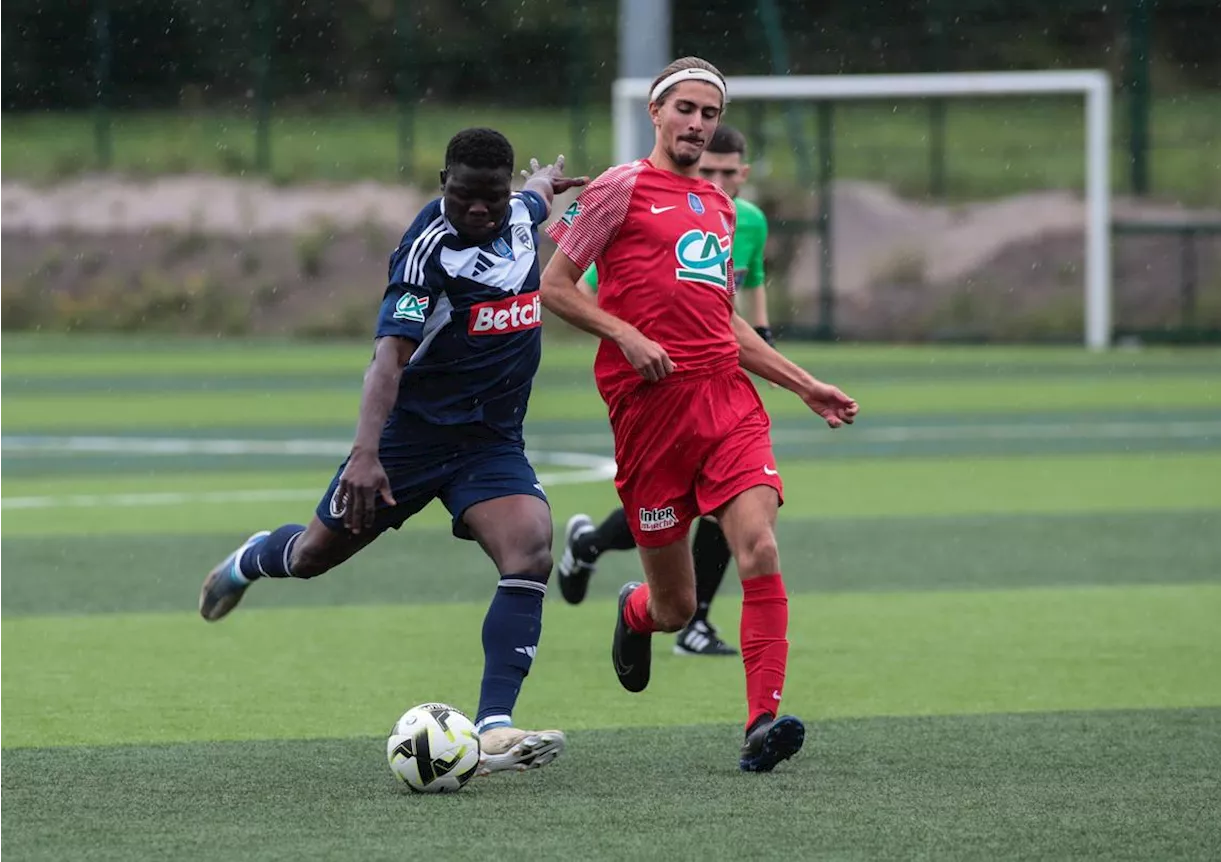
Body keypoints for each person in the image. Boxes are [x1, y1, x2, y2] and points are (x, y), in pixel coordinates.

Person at [197, 128, 587, 778]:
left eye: (492, 196)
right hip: (409, 442)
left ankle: (493, 728)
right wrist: (364, 453)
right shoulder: (424, 254)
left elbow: (532, 201)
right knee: (311, 556)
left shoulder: (519, 215)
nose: (481, 211)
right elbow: (387, 360)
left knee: (530, 547)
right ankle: (249, 559)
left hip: (490, 442)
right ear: (444, 186)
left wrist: (542, 183)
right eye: (465, 197)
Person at [540, 58, 858, 772]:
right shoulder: (619, 189)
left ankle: (760, 724)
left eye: (709, 114)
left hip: (726, 403)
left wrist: (802, 383)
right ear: (656, 113)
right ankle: (633, 613)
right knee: (676, 608)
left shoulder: (718, 209)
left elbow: (725, 325)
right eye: (685, 109)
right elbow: (553, 289)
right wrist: (625, 333)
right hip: (649, 416)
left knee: (761, 550)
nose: (697, 124)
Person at [557, 123, 774, 659]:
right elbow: (587, 288)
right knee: (669, 515)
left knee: (733, 509)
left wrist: (780, 368)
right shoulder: (631, 196)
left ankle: (697, 620)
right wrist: (632, 334)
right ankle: (593, 547)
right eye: (712, 170)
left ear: (743, 174)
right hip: (652, 388)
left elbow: (748, 304)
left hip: (719, 381)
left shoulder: (742, 221)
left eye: (730, 172)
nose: (719, 178)